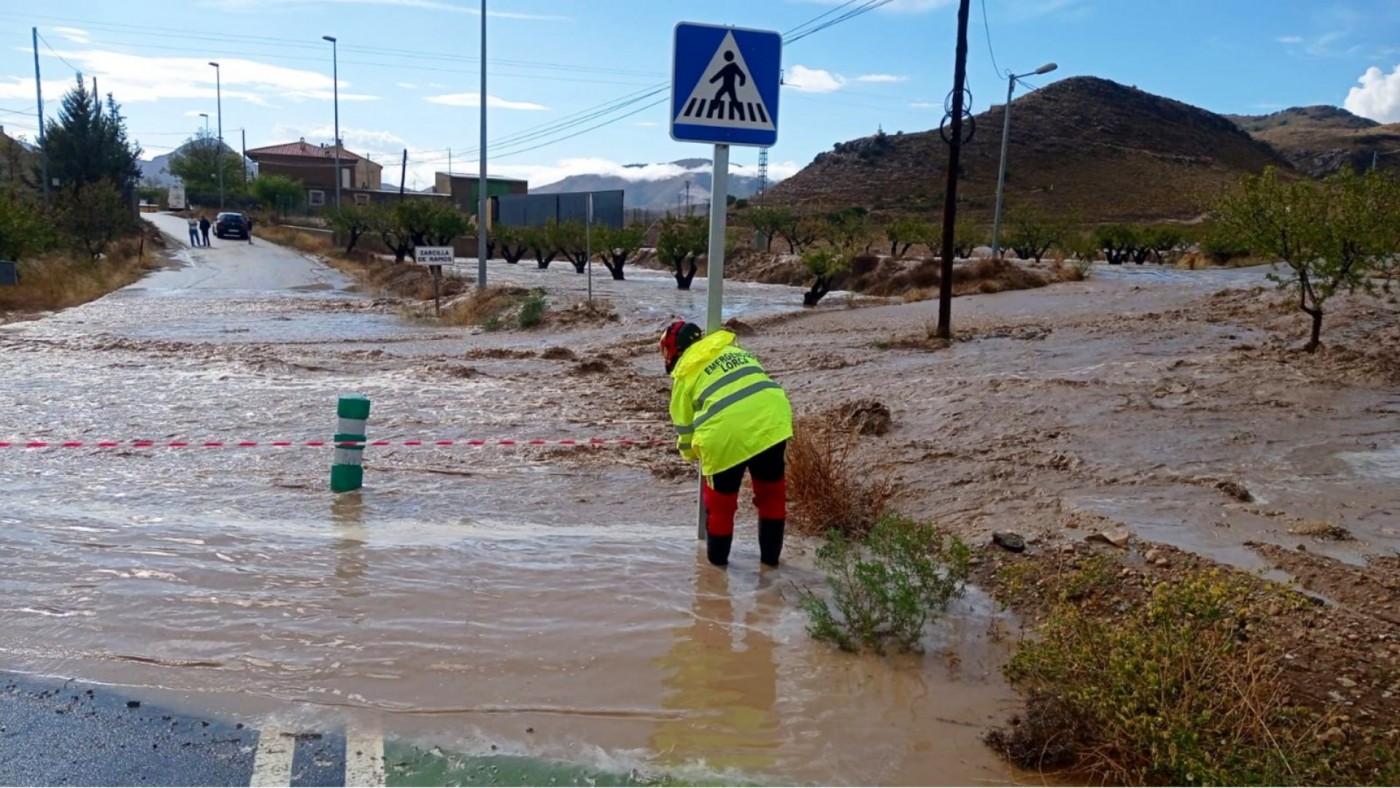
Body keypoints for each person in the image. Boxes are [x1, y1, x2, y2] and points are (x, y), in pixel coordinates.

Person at [662, 321, 793, 568]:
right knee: (772, 496)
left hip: (724, 436)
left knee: (721, 506)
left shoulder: (684, 376)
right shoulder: (736, 351)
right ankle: (771, 566)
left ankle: (716, 579)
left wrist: (691, 455)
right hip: (772, 422)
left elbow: (684, 430)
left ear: (674, 350)